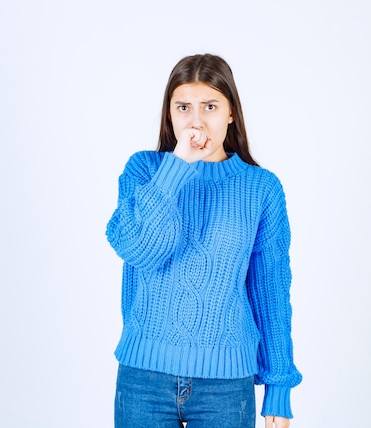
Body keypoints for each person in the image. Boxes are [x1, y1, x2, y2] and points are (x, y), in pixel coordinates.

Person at [106, 53, 302, 428]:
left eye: (210, 106)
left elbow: (271, 291)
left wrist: (278, 385)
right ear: (170, 115)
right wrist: (176, 167)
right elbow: (139, 248)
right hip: (143, 378)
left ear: (231, 112)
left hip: (226, 388)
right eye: (183, 107)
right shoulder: (144, 171)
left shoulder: (261, 189)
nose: (196, 122)